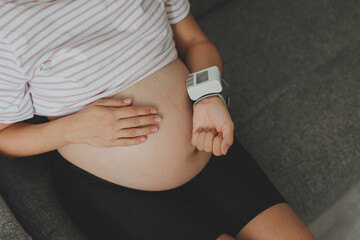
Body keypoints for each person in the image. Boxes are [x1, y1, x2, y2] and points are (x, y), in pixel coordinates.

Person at [0, 1, 316, 239]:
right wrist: (72, 128)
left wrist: (208, 96)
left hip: (207, 141)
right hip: (106, 185)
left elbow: (194, 42)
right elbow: (5, 136)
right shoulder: (8, 23)